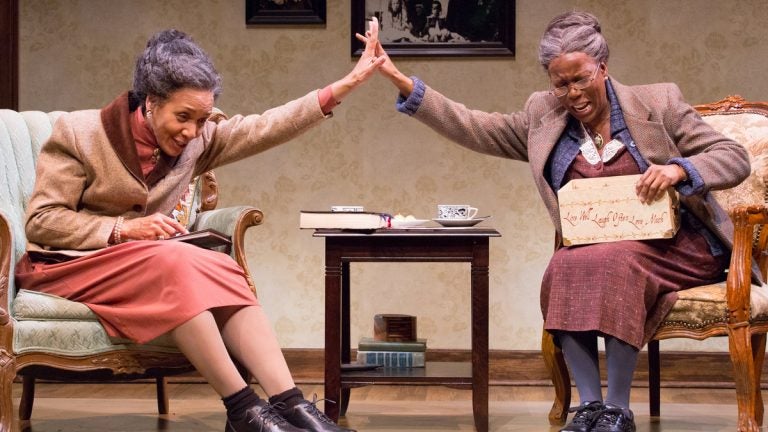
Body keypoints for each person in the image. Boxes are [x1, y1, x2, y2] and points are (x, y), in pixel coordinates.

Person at [359, 10, 751, 432]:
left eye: (581, 79)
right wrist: (403, 83)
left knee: (617, 262)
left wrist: (677, 170)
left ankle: (618, 410)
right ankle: (590, 408)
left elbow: (734, 158)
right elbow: (476, 126)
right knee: (563, 265)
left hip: (678, 244)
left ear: (602, 67)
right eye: (560, 83)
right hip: (598, 247)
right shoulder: (544, 116)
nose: (572, 93)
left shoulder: (658, 102)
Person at [16, 21, 385, 432]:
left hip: (145, 264)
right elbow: (43, 220)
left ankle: (292, 404)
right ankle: (243, 409)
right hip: (70, 265)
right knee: (175, 260)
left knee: (222, 265)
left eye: (202, 118)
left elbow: (267, 126)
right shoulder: (80, 134)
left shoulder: (199, 139)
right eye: (183, 117)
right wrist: (122, 229)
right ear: (151, 103)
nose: (192, 131)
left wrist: (347, 84)